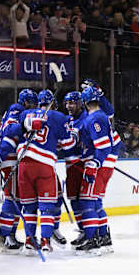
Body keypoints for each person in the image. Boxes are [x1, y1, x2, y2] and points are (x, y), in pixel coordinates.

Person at [1, 90, 76, 254]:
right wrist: (71, 137)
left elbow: (9, 131)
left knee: (28, 207)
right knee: (47, 207)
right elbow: (69, 145)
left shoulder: (24, 113)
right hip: (44, 165)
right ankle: (45, 241)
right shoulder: (58, 116)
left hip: (23, 165)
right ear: (53, 104)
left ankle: (29, 241)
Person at [0, 89, 38, 254]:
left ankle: (10, 236)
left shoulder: (17, 110)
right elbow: (10, 133)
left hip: (11, 158)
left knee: (15, 199)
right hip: (9, 158)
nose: (34, 107)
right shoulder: (18, 110)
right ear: (25, 102)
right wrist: (1, 156)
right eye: (32, 103)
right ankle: (5, 238)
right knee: (12, 199)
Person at [75, 86, 114, 254]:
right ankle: (104, 237)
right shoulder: (99, 116)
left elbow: (103, 146)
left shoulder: (95, 119)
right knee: (96, 201)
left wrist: (94, 163)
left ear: (84, 102)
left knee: (87, 201)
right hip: (104, 164)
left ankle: (93, 240)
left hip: (99, 163)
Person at [62, 90, 88, 247]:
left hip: (82, 164)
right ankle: (83, 230)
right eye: (67, 103)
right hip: (70, 165)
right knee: (74, 200)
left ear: (79, 103)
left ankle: (92, 232)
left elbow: (73, 140)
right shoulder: (68, 119)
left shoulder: (86, 119)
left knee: (85, 200)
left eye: (71, 103)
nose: (68, 106)